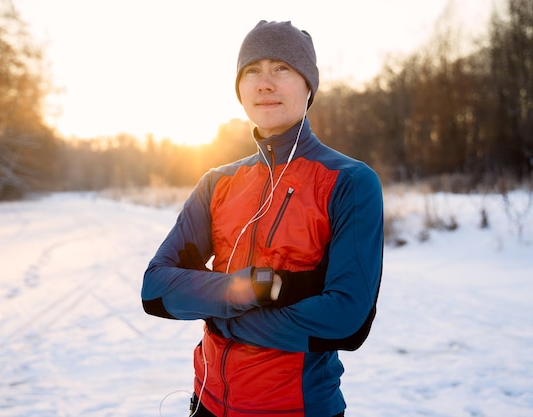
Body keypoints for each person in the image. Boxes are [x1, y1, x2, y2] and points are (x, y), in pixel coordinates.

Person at [142, 20, 383, 417]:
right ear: (239, 88)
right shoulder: (216, 183)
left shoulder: (349, 182)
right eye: (252, 70)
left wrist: (221, 318)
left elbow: (346, 320)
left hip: (298, 409)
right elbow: (155, 288)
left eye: (282, 68)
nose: (264, 83)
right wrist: (246, 289)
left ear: (309, 86)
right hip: (207, 404)